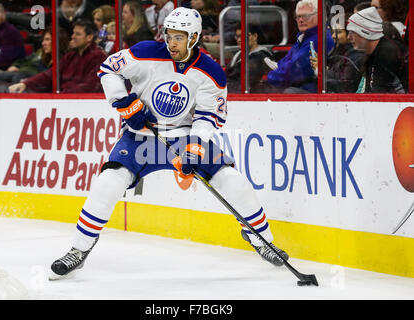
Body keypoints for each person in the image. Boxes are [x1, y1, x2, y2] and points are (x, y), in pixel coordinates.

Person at [49, 7, 289, 280]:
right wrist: (125, 103)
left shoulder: (211, 72)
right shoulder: (145, 51)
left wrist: (195, 147)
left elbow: (210, 115)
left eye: (179, 37)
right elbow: (108, 69)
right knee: (108, 182)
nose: (171, 42)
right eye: (169, 35)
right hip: (140, 138)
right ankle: (79, 250)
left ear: (195, 37)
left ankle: (263, 240)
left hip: (185, 136)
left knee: (233, 181)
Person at [8, 19, 106, 93]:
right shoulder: (70, 56)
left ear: (89, 37)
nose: (72, 37)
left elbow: (92, 86)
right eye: (73, 33)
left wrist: (63, 95)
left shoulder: (98, 57)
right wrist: (25, 84)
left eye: (78, 34)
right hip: (62, 99)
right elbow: (50, 74)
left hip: (81, 104)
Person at [264, 0, 334, 93]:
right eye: (298, 16)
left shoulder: (320, 39)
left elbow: (293, 71)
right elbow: (285, 61)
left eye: (305, 16)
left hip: (312, 94)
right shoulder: (303, 37)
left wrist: (269, 77)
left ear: (319, 15)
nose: (300, 20)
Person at [0, 28, 69, 93]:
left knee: (18, 77)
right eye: (43, 40)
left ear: (58, 40)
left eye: (47, 40)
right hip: (25, 75)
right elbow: (24, 60)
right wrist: (16, 65)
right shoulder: (42, 54)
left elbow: (48, 78)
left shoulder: (65, 60)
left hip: (37, 83)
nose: (43, 43)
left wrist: (28, 81)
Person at [347, 6, 407, 93]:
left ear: (365, 32)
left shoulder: (386, 52)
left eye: (353, 32)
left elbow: (377, 95)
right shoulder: (372, 53)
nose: (349, 37)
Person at [310, 15, 365, 93]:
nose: (333, 36)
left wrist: (320, 70)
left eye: (338, 32)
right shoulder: (340, 50)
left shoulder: (356, 55)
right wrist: (321, 63)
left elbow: (344, 84)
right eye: (333, 32)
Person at [226, 24, 275, 93]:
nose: (239, 40)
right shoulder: (238, 55)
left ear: (255, 36)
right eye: (237, 36)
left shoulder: (263, 56)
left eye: (244, 36)